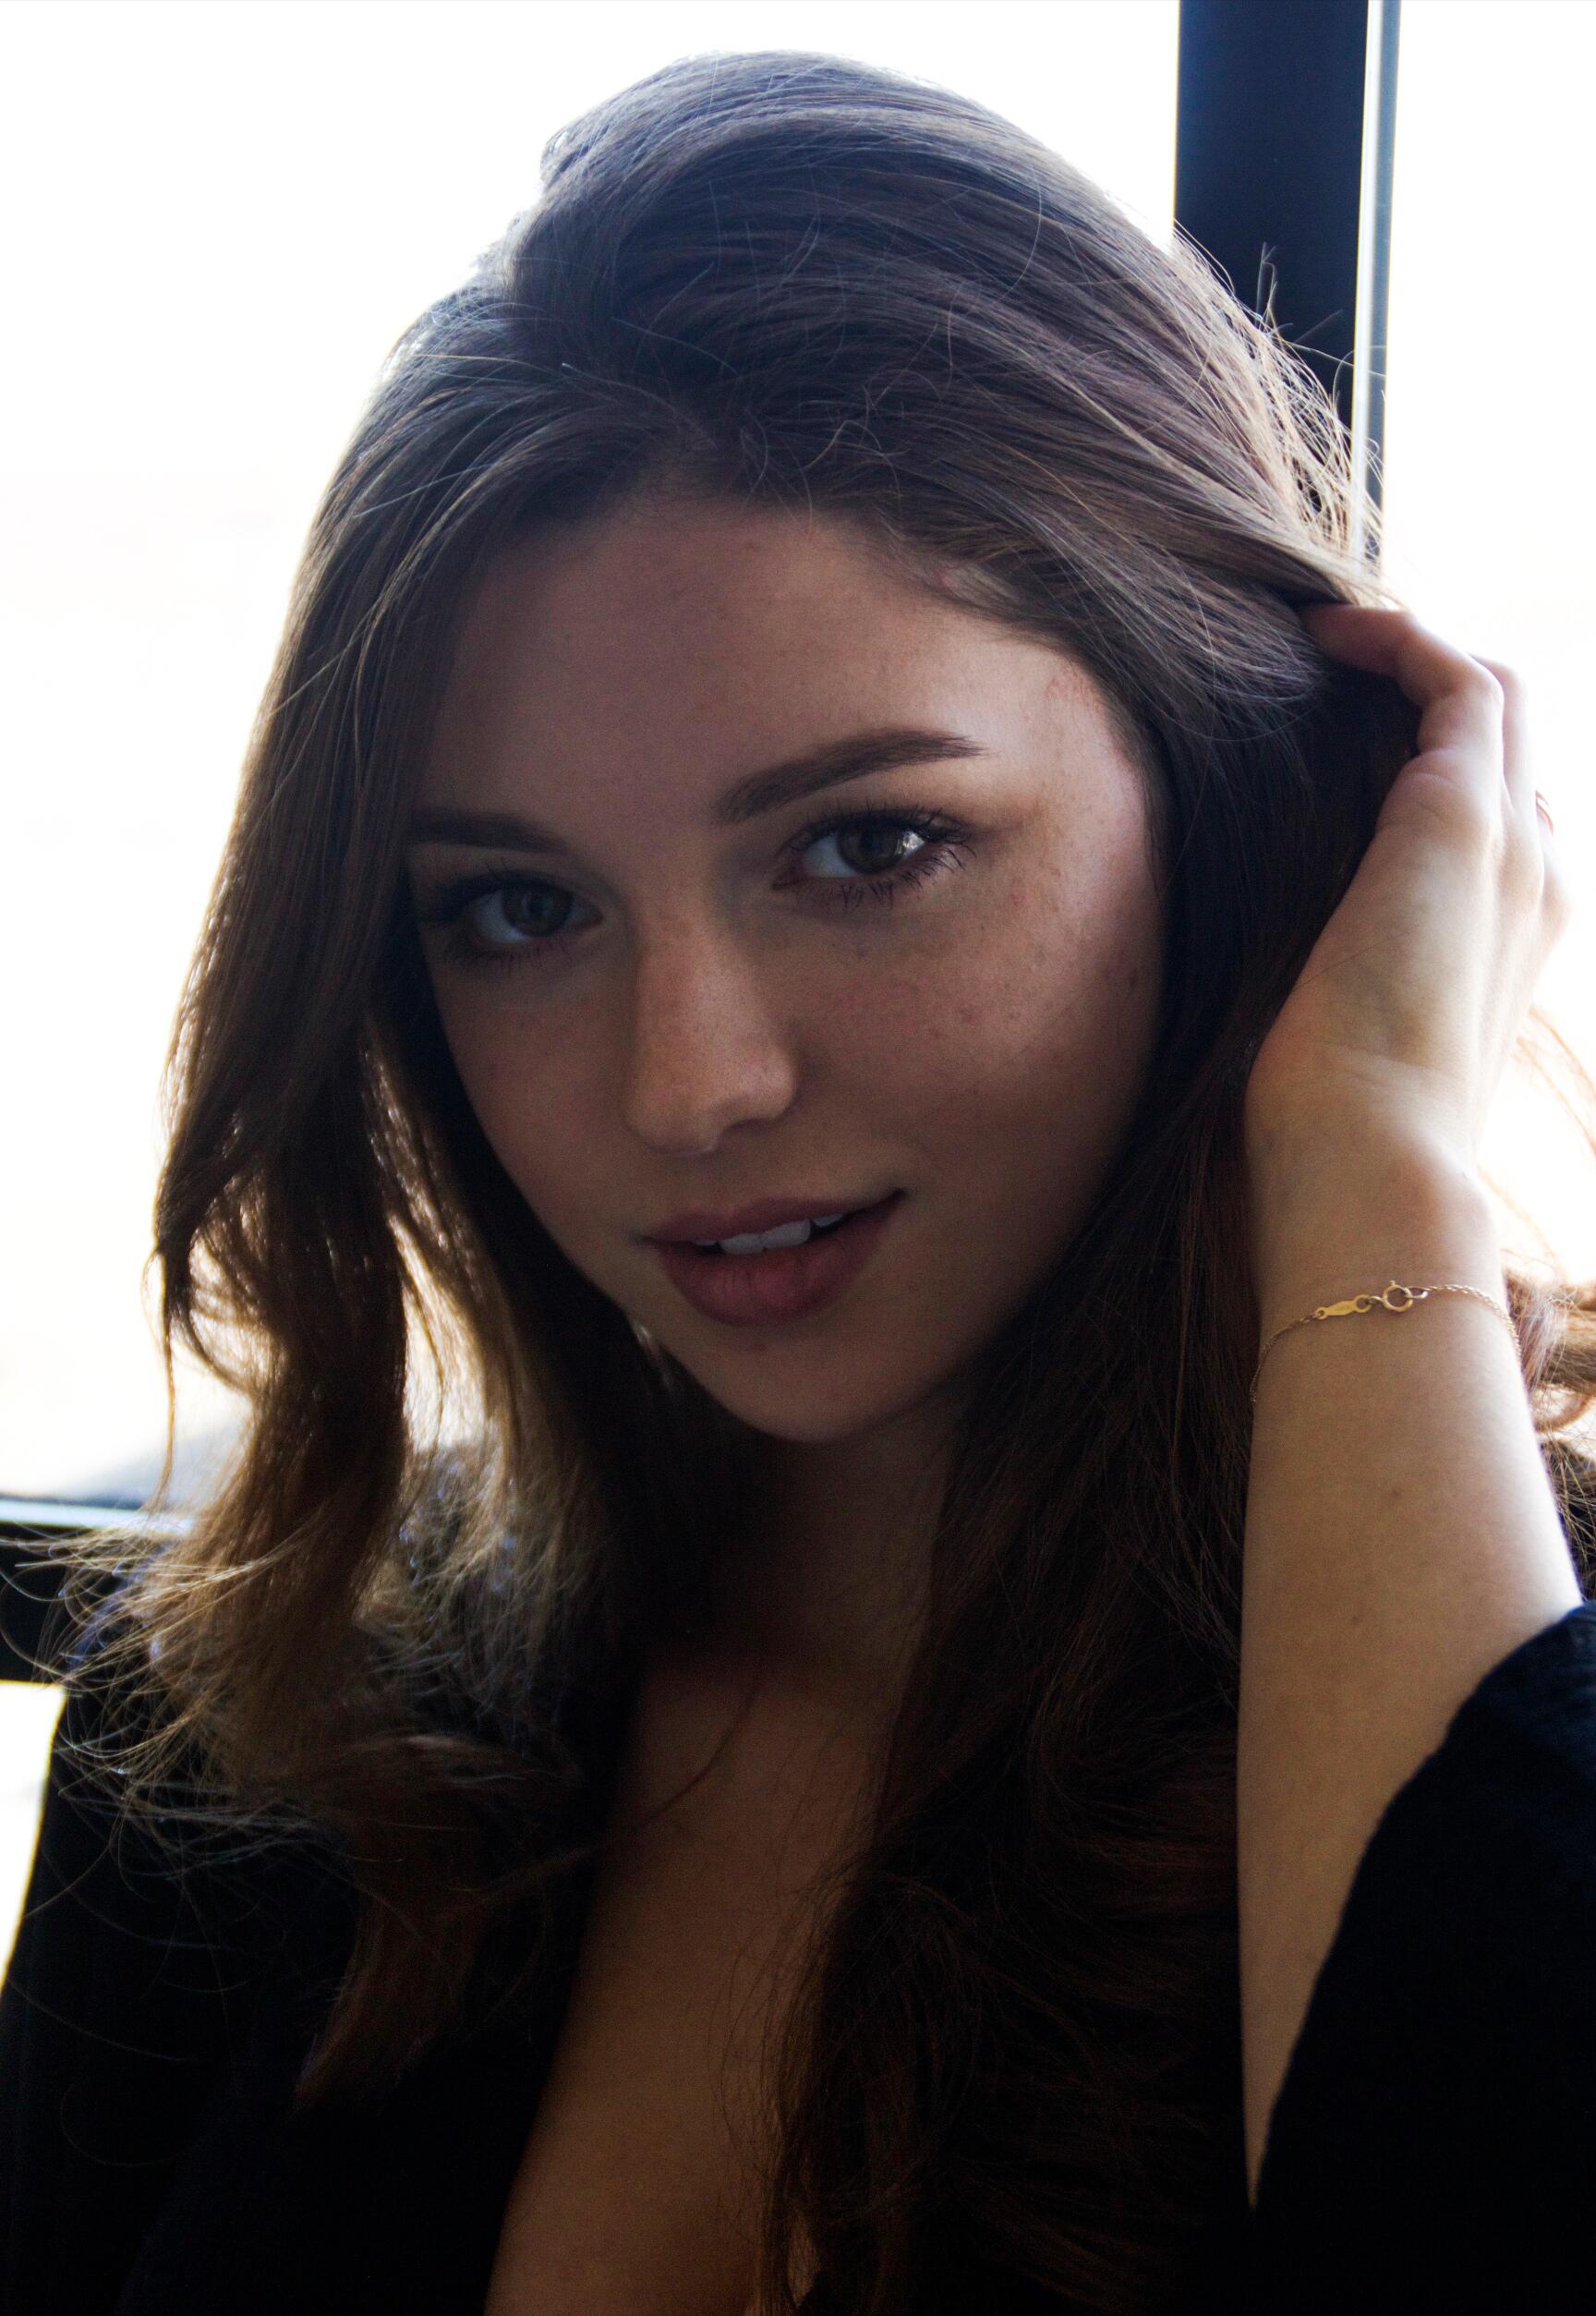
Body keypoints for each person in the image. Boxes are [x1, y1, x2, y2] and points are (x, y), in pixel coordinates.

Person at [4, 46, 1596, 2316]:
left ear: (1244, 797)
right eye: (519, 909)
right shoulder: (259, 1749)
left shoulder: (1530, 1685)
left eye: (871, 848)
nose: (687, 1086)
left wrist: (1373, 1156)